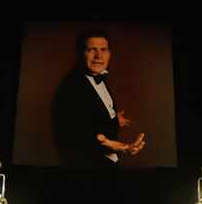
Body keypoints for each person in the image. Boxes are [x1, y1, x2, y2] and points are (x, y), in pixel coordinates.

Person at [52, 29, 146, 167]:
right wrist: (122, 147)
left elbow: (89, 119)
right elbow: (75, 135)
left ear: (109, 53)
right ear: (80, 54)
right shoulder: (70, 88)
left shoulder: (97, 77)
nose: (98, 56)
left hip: (106, 164)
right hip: (86, 169)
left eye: (103, 50)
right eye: (91, 50)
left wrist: (114, 121)